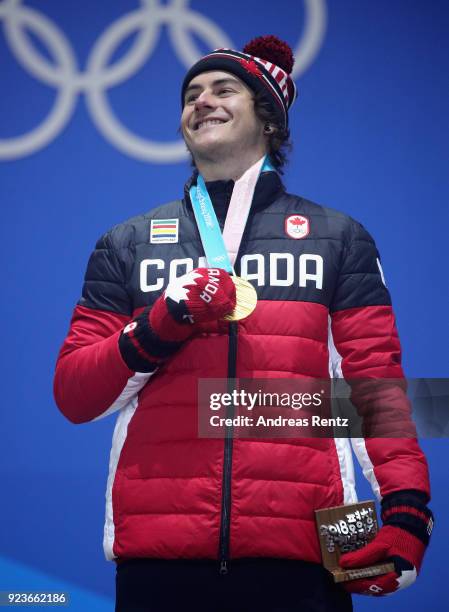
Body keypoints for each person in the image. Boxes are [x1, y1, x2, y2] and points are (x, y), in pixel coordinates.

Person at [54, 36, 433, 612]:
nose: (200, 102)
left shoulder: (339, 237)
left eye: (222, 89)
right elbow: (75, 395)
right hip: (159, 556)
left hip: (309, 551)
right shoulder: (127, 243)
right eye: (190, 95)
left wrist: (408, 512)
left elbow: (375, 388)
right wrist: (159, 325)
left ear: (269, 119)